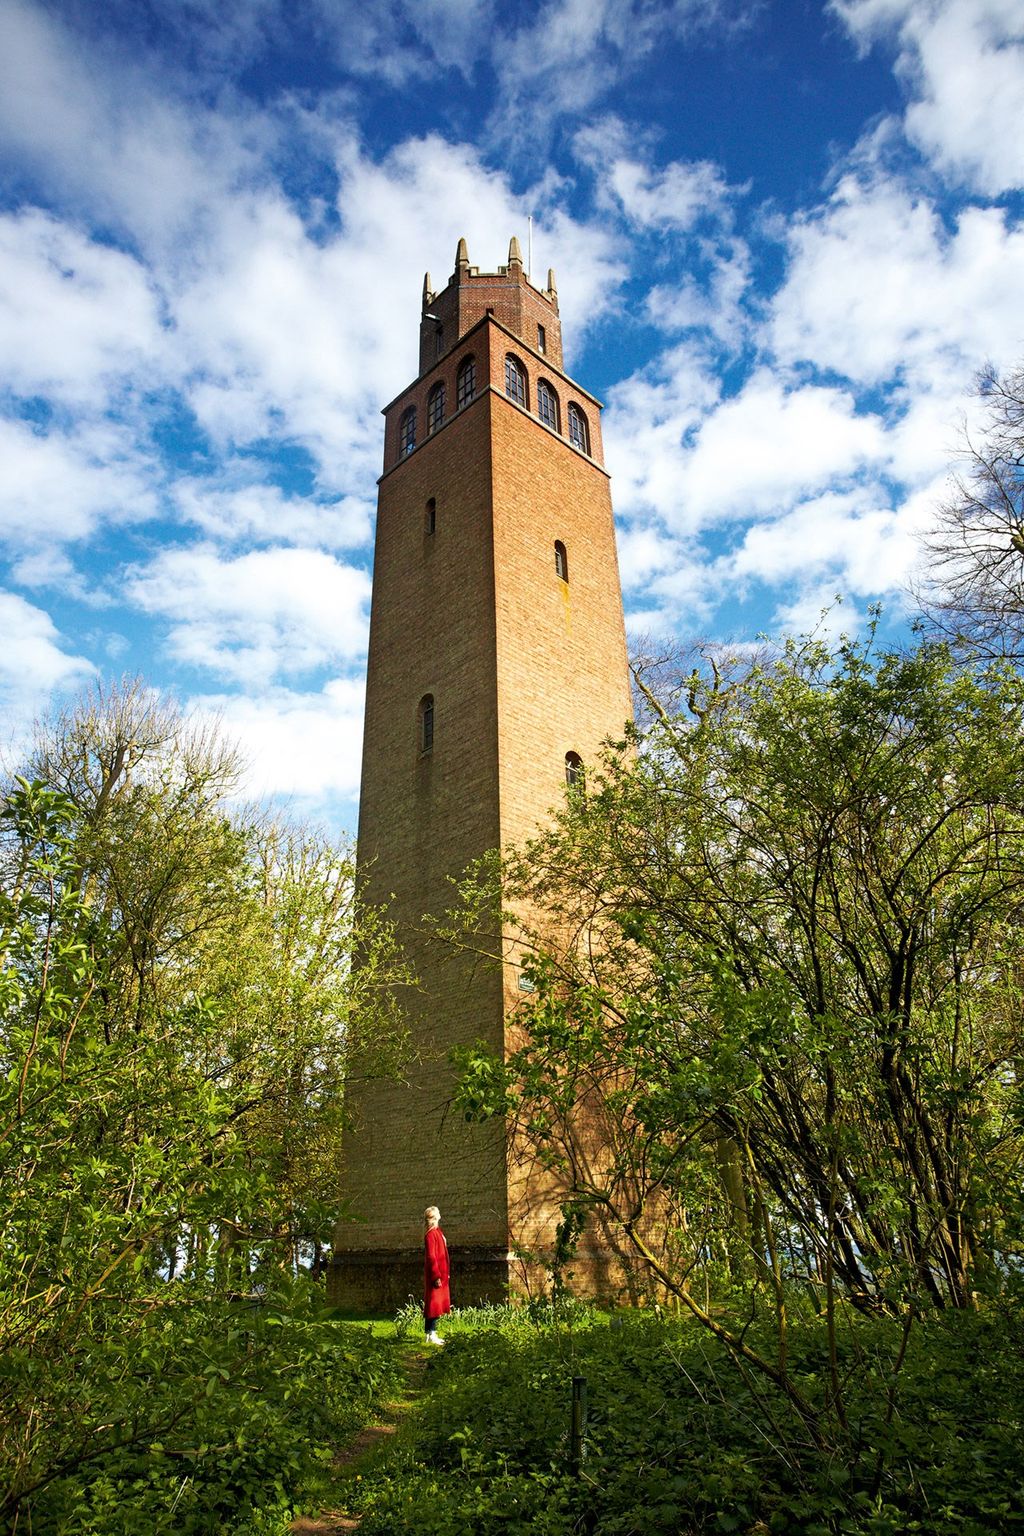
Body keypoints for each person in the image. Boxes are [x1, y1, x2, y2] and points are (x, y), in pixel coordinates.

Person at [423, 1205, 450, 1346]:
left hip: (441, 1274)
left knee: (436, 1304)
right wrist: (436, 1276)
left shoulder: (437, 1232)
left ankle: (430, 1333)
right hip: (436, 1275)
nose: (440, 1214)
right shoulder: (431, 1235)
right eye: (438, 1213)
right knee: (433, 1305)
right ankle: (431, 1333)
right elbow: (431, 1257)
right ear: (434, 1217)